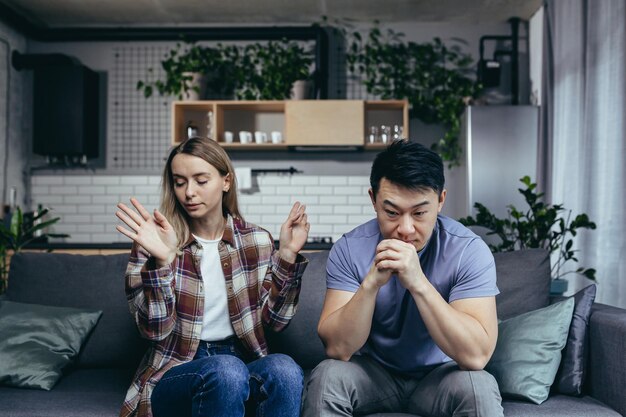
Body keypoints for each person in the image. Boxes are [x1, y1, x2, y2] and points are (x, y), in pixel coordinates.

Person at [302, 140, 503, 417]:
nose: (405, 229)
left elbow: (476, 356)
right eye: (392, 213)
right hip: (375, 376)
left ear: (441, 200)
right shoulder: (350, 248)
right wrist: (371, 283)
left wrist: (418, 283)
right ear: (373, 200)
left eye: (420, 213)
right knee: (327, 376)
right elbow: (338, 349)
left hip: (441, 377)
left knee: (478, 385)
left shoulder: (468, 250)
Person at [115, 137, 310, 417]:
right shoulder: (154, 240)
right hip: (176, 370)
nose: (189, 192)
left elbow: (276, 322)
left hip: (241, 363)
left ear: (226, 181)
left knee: (284, 369)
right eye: (179, 182)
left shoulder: (256, 240)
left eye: (201, 180)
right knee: (225, 369)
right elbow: (153, 330)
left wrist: (288, 254)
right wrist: (161, 261)